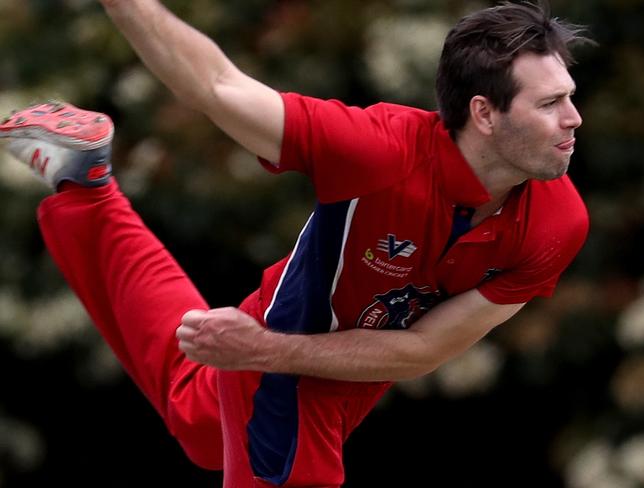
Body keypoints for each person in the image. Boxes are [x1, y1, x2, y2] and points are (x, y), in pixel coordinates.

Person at [0, 0, 593, 486]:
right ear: (484, 114)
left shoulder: (557, 223)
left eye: (568, 96)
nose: (574, 119)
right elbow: (216, 85)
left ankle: (87, 186)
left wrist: (253, 347)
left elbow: (422, 350)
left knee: (197, 415)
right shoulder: (379, 152)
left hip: (294, 358)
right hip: (283, 366)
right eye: (550, 104)